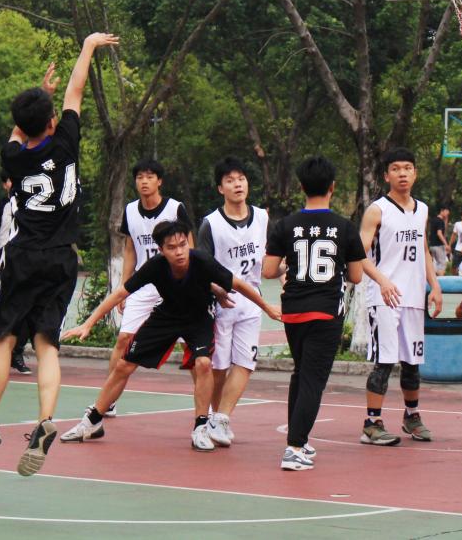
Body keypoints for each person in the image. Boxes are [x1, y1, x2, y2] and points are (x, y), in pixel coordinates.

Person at [0, 31, 118, 477]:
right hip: (62, 259)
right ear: (52, 121)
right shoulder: (66, 142)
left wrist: (33, 105)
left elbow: (19, 131)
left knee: (3, 340)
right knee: (47, 344)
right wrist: (88, 46)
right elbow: (76, 91)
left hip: (22, 255)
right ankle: (45, 420)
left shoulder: (13, 157)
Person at [60, 220, 281, 451]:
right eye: (172, 247)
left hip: (198, 319)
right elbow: (119, 294)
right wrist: (88, 324)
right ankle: (93, 421)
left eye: (182, 245)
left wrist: (267, 308)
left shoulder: (202, 261)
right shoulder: (155, 266)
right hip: (166, 317)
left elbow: (239, 284)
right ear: (161, 250)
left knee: (204, 363)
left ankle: (201, 427)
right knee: (124, 365)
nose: (179, 252)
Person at [262, 156, 367, 471]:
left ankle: (298, 439)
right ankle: (294, 448)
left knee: (301, 373)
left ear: (301, 187)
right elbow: (356, 275)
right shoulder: (344, 227)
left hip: (293, 311)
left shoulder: (285, 225)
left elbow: (269, 270)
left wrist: (291, 265)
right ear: (332, 187)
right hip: (325, 312)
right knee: (312, 380)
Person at [96, 158, 192, 417]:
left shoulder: (174, 208)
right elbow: (130, 249)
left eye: (150, 177)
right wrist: (123, 287)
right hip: (144, 285)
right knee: (123, 340)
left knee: (191, 347)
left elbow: (189, 247)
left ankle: (206, 411)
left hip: (174, 285)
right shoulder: (130, 211)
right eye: (140, 177)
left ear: (159, 181)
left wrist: (189, 283)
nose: (144, 181)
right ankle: (108, 401)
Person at [360, 148, 444, 446]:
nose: (403, 173)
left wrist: (435, 285)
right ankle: (372, 423)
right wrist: (382, 280)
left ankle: (412, 416)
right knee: (384, 361)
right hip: (385, 297)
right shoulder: (377, 210)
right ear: (386, 176)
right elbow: (359, 254)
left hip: (413, 297)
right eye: (396, 169)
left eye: (408, 168)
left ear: (415, 173)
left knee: (412, 362)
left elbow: (423, 250)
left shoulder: (422, 210)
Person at [196, 156, 269, 446]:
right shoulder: (211, 224)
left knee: (246, 362)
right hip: (222, 304)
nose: (237, 184)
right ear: (220, 188)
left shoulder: (262, 217)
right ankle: (211, 416)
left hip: (252, 301)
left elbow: (269, 257)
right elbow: (201, 268)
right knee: (219, 367)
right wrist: (216, 290)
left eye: (241, 179)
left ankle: (221, 418)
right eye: (230, 180)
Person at [0, 173, 31, 375]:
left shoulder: (31, 206)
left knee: (27, 313)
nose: (14, 183)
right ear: (5, 184)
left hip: (27, 267)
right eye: (10, 180)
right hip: (3, 267)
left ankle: (17, 354)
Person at [428, 204, 451, 277]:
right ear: (442, 211)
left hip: (432, 245)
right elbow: (439, 233)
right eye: (446, 212)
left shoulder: (433, 220)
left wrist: (446, 220)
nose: (447, 214)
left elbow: (443, 231)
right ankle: (440, 281)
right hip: (439, 245)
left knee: (436, 264)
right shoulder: (440, 221)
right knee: (442, 264)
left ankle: (435, 279)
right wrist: (446, 244)